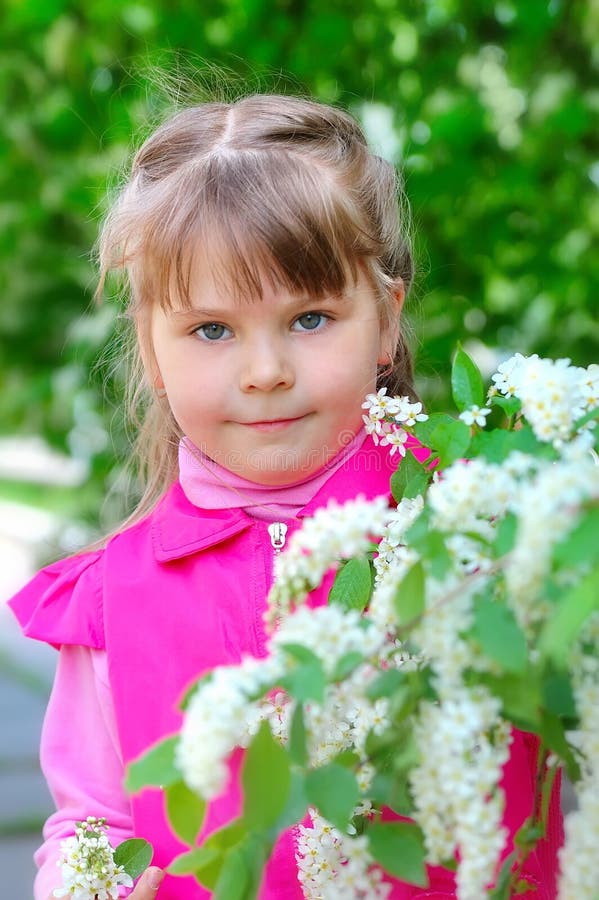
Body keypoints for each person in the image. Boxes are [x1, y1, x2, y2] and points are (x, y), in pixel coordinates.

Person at [9, 93, 562, 900]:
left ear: (383, 321)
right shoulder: (109, 603)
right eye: (210, 330)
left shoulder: (486, 525)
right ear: (152, 351)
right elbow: (92, 829)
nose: (264, 370)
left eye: (308, 318)